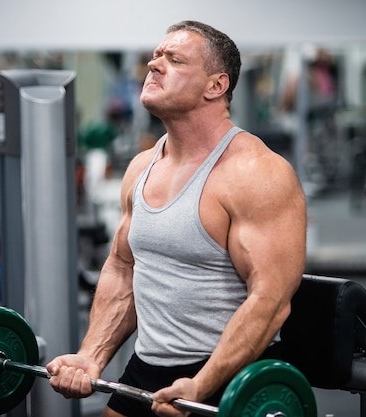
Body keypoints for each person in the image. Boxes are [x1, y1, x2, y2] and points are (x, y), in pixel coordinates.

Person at [47, 20, 307, 417]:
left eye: (174, 59)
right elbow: (123, 268)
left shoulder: (257, 173)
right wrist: (91, 355)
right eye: (155, 55)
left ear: (215, 86)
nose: (154, 64)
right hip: (147, 366)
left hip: (229, 376)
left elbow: (270, 300)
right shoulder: (141, 167)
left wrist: (202, 384)